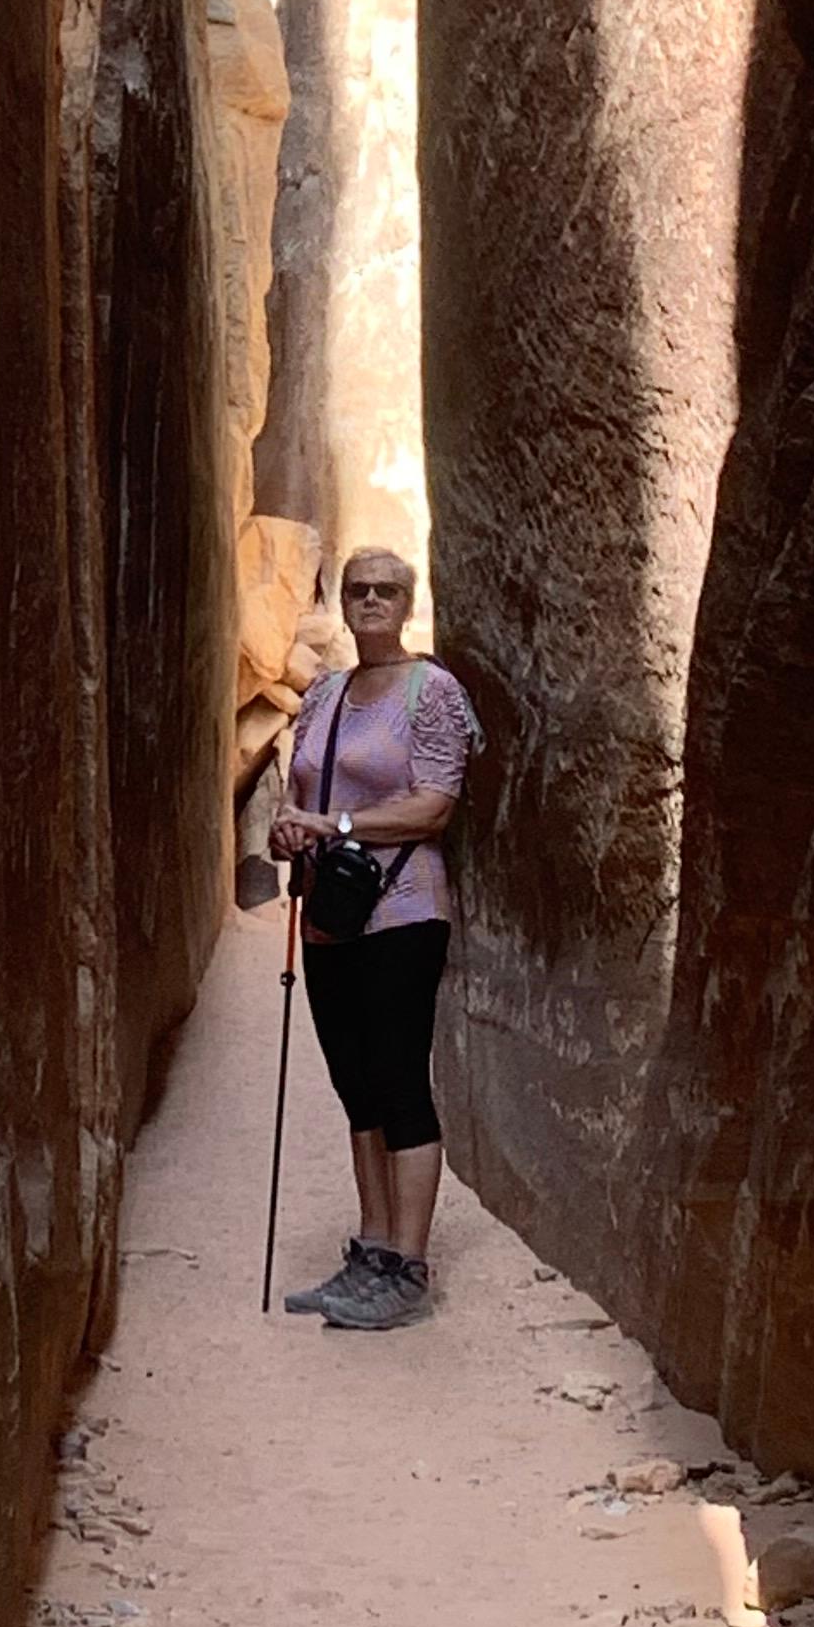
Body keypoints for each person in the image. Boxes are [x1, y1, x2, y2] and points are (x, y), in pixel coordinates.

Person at [267, 547, 476, 1330]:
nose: (371, 600)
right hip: (332, 913)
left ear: (407, 603)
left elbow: (434, 807)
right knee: (356, 1085)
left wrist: (337, 825)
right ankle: (373, 1248)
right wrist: (290, 832)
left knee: (398, 1080)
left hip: (403, 909)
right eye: (359, 589)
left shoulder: (433, 693)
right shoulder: (324, 694)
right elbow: (297, 790)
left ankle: (406, 1267)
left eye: (387, 590)